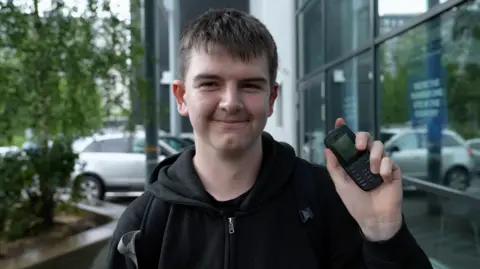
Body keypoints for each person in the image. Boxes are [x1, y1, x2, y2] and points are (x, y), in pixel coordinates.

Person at [107, 8, 433, 269]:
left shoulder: (327, 201)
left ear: (272, 98)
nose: (231, 102)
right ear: (181, 96)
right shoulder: (144, 223)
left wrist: (384, 232)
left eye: (250, 85)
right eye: (209, 84)